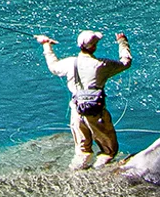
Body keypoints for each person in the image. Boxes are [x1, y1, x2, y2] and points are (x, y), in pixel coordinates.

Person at [36, 29, 131, 169]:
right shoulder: (102, 65)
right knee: (109, 151)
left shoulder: (69, 63)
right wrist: (122, 42)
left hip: (77, 112)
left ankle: (76, 173)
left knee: (83, 152)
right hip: (96, 114)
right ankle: (99, 172)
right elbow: (126, 62)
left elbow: (53, 67)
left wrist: (46, 44)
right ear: (93, 47)